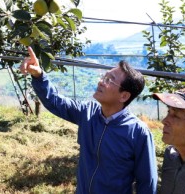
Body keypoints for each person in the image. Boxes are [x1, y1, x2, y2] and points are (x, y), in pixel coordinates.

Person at [20, 47, 158, 194]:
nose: (101, 82)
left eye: (109, 80)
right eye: (104, 77)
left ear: (124, 96)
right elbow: (55, 101)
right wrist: (39, 75)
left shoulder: (138, 133)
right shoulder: (88, 113)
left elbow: (147, 182)